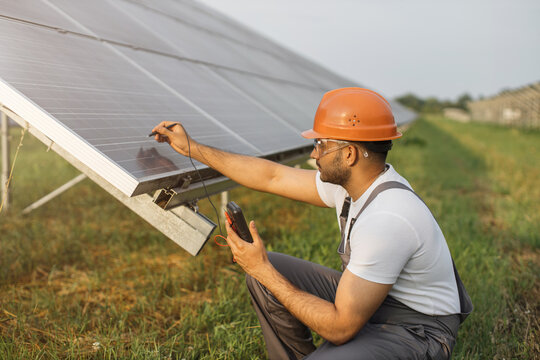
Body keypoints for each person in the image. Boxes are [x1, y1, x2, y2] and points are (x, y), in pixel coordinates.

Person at [151, 88, 472, 359]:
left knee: (267, 272)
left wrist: (260, 268)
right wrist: (192, 148)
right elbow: (271, 176)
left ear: (349, 154)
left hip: (417, 329)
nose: (314, 152)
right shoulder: (355, 185)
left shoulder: (387, 219)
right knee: (270, 273)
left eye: (321, 144)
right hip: (378, 303)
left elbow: (340, 328)